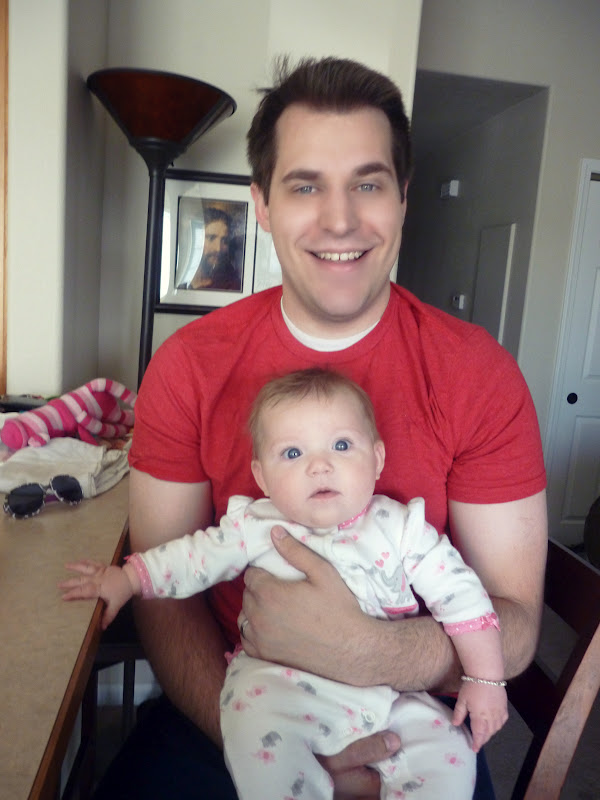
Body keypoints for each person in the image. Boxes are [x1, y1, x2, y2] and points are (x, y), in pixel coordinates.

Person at [92, 56, 547, 800]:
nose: (340, 220)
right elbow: (166, 593)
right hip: (237, 704)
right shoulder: (188, 366)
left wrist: (368, 650)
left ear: (403, 198)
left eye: (368, 184)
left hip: (414, 719)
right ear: (263, 205)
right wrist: (271, 754)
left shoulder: (477, 374)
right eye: (306, 186)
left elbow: (517, 623)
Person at [62, 369, 508, 799]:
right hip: (279, 689)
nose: (320, 466)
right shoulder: (257, 526)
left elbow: (461, 595)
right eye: (293, 453)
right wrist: (129, 578)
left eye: (341, 445)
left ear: (377, 459)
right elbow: (192, 557)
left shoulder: (401, 528)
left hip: (389, 694)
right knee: (254, 735)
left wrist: (485, 678)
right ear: (262, 477)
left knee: (449, 750)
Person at [178, 206, 241, 291]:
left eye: (224, 241)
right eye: (211, 238)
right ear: (194, 238)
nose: (218, 249)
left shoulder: (231, 285)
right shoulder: (178, 277)